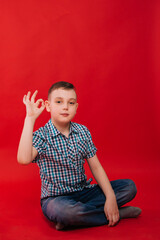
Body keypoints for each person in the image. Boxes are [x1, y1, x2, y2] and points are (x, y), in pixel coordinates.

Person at [17, 81, 141, 230]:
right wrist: (30, 119)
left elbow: (96, 167)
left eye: (71, 103)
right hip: (56, 199)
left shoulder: (82, 132)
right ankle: (114, 215)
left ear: (76, 107)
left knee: (129, 187)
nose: (65, 107)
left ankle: (78, 218)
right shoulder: (42, 135)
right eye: (59, 102)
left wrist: (110, 197)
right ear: (48, 106)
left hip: (84, 191)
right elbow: (23, 159)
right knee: (65, 211)